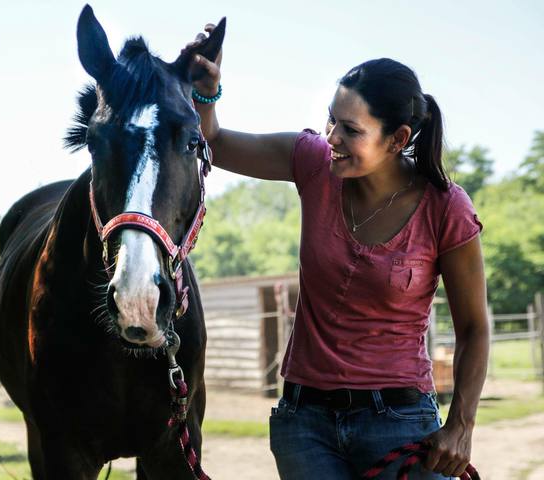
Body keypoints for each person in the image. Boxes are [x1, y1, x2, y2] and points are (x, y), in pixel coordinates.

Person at [186, 25, 490, 480]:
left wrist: (461, 426)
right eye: (331, 120)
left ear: (398, 138)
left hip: (401, 425)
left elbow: (474, 328)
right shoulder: (313, 164)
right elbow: (217, 143)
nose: (331, 136)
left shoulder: (446, 208)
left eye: (350, 129)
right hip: (305, 425)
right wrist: (207, 93)